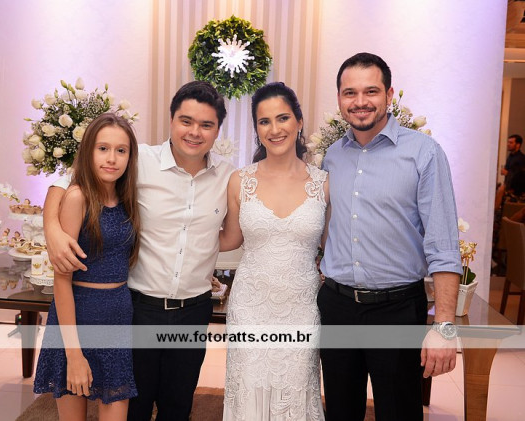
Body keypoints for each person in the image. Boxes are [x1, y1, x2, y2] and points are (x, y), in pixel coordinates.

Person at [43, 81, 234, 421]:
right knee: (134, 406)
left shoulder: (228, 176)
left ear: (218, 130)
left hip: (193, 310)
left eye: (206, 125)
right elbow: (68, 182)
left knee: (178, 406)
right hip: (139, 306)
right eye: (186, 121)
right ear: (171, 121)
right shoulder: (138, 158)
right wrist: (52, 230)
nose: (194, 132)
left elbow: (230, 236)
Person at [317, 52, 462, 421]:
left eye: (371, 91)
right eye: (350, 93)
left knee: (399, 411)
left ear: (389, 94)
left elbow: (444, 245)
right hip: (337, 307)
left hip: (397, 310)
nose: (360, 101)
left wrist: (444, 326)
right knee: (340, 411)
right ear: (339, 98)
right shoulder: (332, 156)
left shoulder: (424, 153)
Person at [219, 82, 328, 420]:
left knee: (294, 395)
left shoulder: (324, 183)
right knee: (251, 394)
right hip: (250, 306)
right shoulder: (240, 181)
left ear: (298, 121)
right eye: (264, 121)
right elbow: (229, 239)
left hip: (301, 306)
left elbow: (333, 247)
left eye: (283, 118)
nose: (274, 129)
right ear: (256, 129)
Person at [33, 113, 140, 420]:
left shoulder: (127, 198)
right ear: (89, 151)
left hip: (117, 318)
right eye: (103, 148)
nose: (112, 158)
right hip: (76, 319)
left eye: (121, 150)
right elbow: (62, 280)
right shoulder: (77, 197)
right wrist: (74, 354)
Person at [495, 134, 525, 209]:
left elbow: (520, 176)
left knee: (501, 189)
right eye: (508, 142)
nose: (508, 144)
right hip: (508, 184)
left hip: (516, 188)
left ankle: (494, 210)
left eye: (511, 143)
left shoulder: (521, 159)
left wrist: (507, 173)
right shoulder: (510, 156)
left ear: (518, 145)